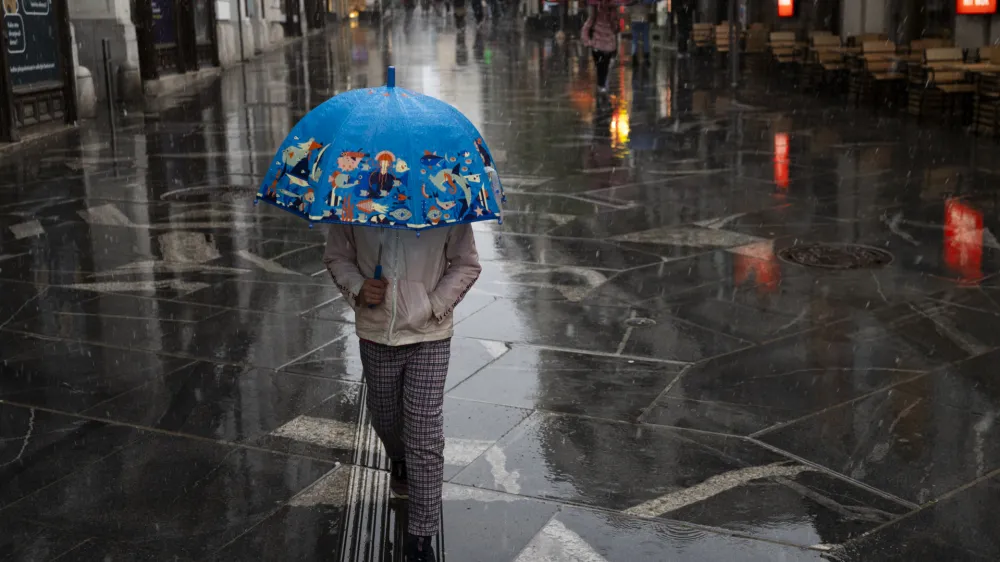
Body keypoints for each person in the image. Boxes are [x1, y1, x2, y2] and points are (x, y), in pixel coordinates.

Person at [324, 224, 481, 562]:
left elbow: (467, 262)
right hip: (375, 332)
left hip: (431, 335)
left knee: (423, 433)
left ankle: (421, 537)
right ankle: (399, 459)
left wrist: (433, 304)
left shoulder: (445, 195)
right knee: (385, 417)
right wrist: (359, 288)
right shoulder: (355, 193)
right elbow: (338, 256)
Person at [582, 0, 619, 93]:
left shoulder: (594, 8)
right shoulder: (613, 7)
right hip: (608, 45)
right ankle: (602, 85)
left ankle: (601, 84)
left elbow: (587, 25)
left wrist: (587, 41)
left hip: (596, 45)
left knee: (599, 67)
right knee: (604, 67)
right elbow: (615, 27)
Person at [629, 0, 652, 66]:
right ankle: (646, 58)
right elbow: (648, 9)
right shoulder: (646, 1)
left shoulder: (631, 2)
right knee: (646, 39)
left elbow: (628, 10)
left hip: (634, 20)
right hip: (644, 20)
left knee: (634, 40)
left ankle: (634, 58)